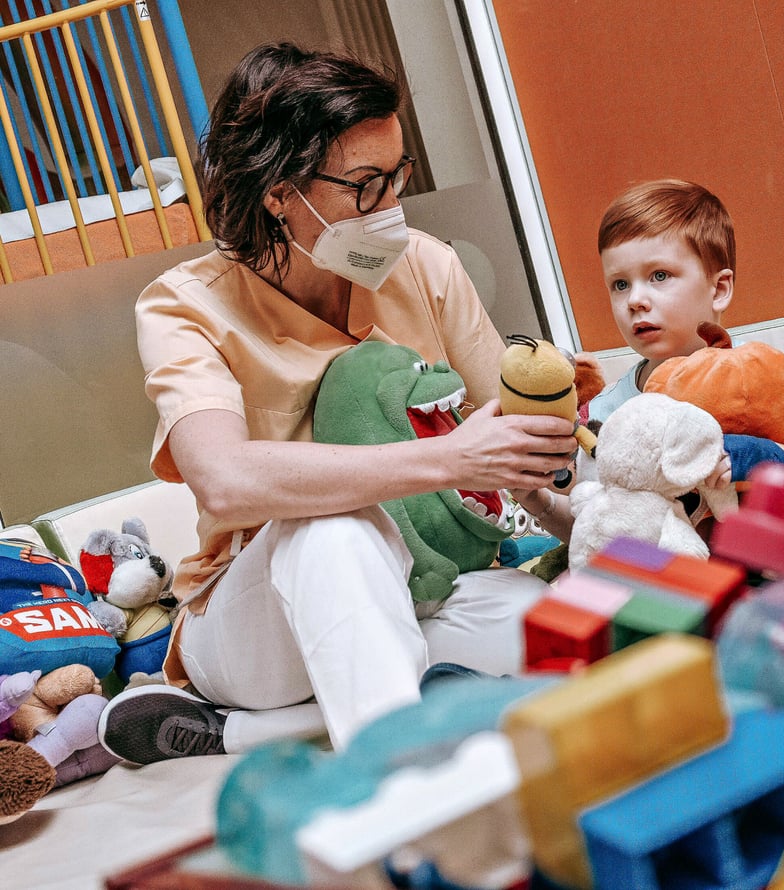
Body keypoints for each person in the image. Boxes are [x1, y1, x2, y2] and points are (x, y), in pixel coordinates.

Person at [97, 42, 577, 765]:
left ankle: (248, 734)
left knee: (562, 636)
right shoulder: (185, 307)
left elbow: (508, 442)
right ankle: (404, 802)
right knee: (336, 529)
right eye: (364, 186)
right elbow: (224, 477)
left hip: (423, 585)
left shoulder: (425, 265)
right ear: (278, 192)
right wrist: (442, 457)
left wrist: (581, 512)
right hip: (255, 619)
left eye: (397, 176)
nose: (391, 209)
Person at [513, 179, 784, 536]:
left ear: (718, 289)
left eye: (659, 276)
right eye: (620, 284)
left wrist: (751, 455)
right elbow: (595, 531)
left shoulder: (761, 378)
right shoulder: (606, 413)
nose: (635, 300)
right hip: (667, 581)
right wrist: (537, 500)